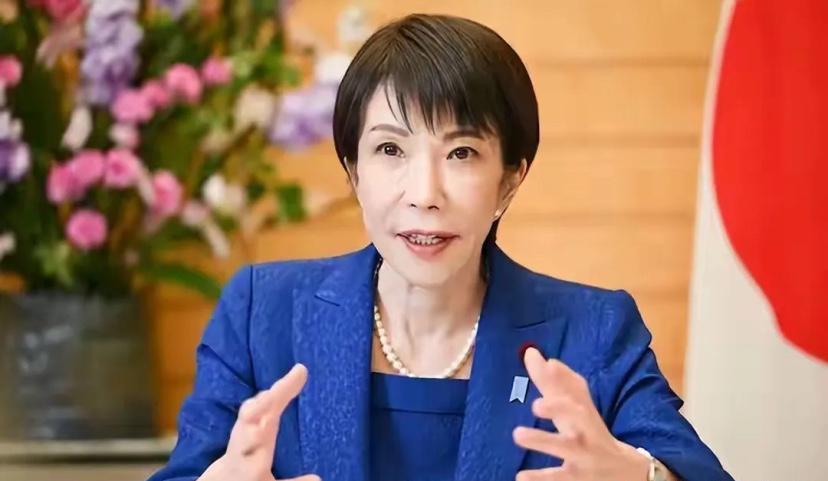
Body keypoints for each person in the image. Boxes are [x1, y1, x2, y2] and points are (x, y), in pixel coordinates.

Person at [148, 14, 733, 481]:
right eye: (390, 150)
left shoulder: (594, 329)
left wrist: (638, 476)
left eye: (461, 153)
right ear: (353, 170)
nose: (425, 195)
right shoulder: (262, 312)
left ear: (509, 180)